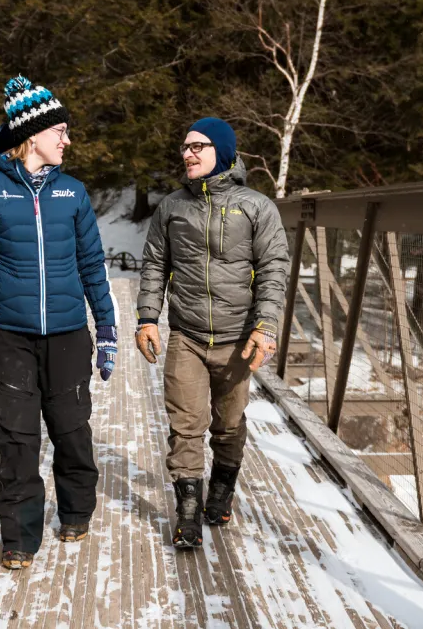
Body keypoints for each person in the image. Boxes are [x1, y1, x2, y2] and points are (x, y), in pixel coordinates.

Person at [0, 75, 118, 570]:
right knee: (16, 438)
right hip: (9, 336)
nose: (68, 141)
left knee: (72, 429)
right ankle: (20, 538)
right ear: (32, 136)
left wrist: (107, 329)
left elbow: (95, 266)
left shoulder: (73, 193)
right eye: (60, 132)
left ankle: (75, 511)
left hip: (69, 334)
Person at [134, 118, 290, 548]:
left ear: (220, 151)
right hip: (186, 335)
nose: (188, 153)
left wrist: (266, 326)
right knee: (185, 426)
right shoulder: (170, 207)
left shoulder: (257, 207)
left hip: (238, 338)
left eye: (198, 146)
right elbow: (153, 266)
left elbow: (274, 271)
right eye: (184, 147)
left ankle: (221, 492)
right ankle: (187, 513)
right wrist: (148, 317)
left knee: (229, 425)